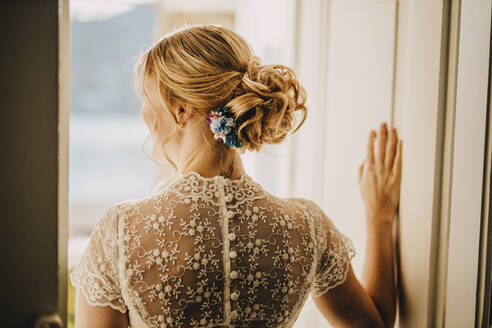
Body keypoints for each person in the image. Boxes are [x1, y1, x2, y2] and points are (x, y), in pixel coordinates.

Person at [70, 24, 402, 328]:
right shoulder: (308, 228)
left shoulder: (120, 232)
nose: (144, 113)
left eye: (147, 98)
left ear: (181, 109)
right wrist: (380, 216)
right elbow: (375, 325)